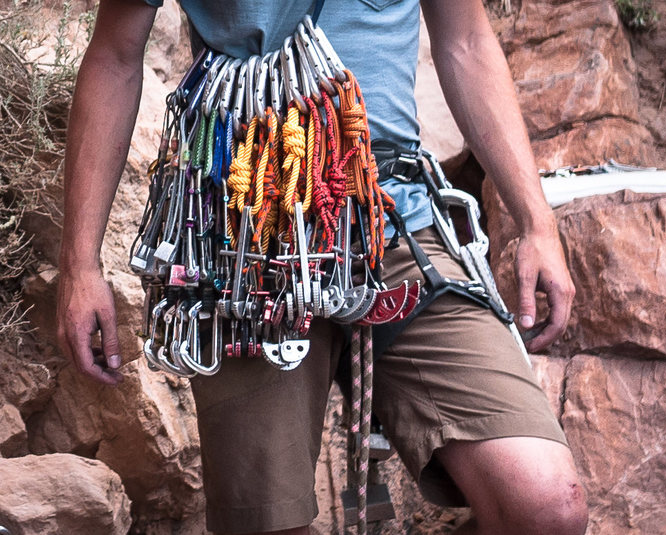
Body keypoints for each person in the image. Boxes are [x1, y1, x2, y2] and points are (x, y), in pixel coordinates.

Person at [57, 0, 589, 533]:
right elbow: (115, 58)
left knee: (546, 507)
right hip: (246, 248)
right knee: (268, 525)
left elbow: (466, 42)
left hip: (398, 229)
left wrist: (536, 222)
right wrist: (79, 267)